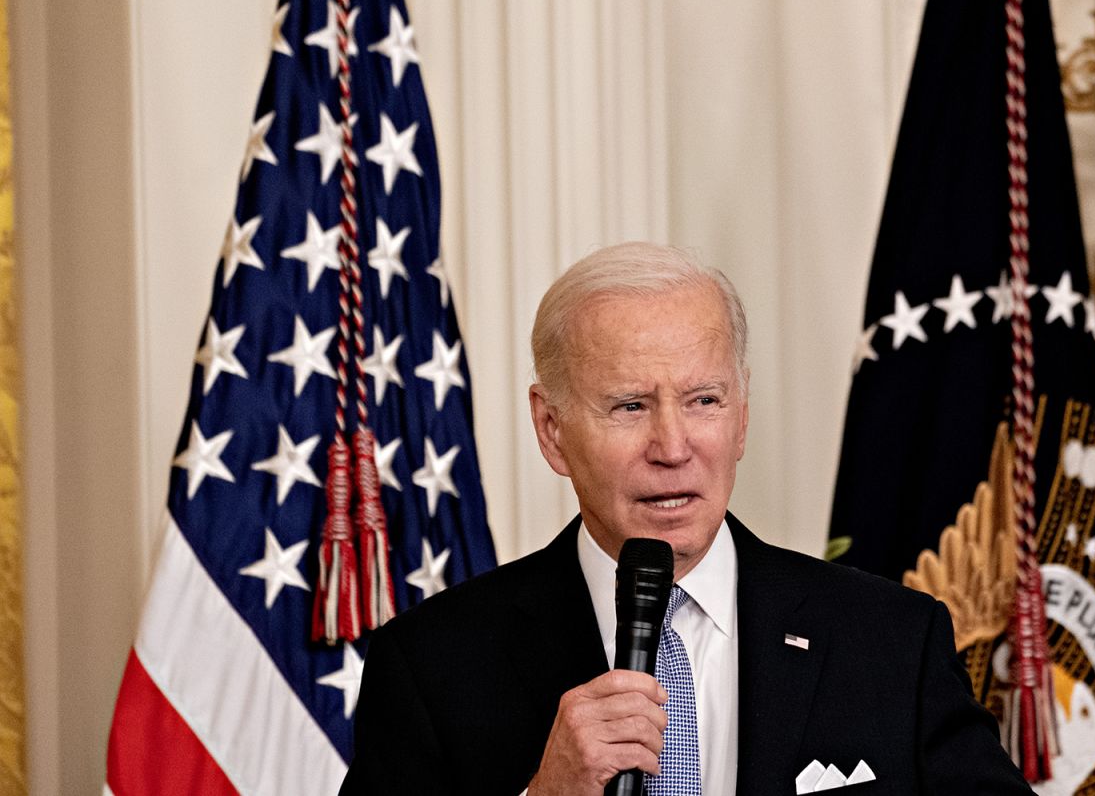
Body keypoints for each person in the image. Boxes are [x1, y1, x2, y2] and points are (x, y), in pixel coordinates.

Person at [340, 242, 1033, 795]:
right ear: (552, 430)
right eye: (630, 406)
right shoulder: (433, 665)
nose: (673, 448)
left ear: (742, 418)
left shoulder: (889, 644)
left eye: (703, 401)